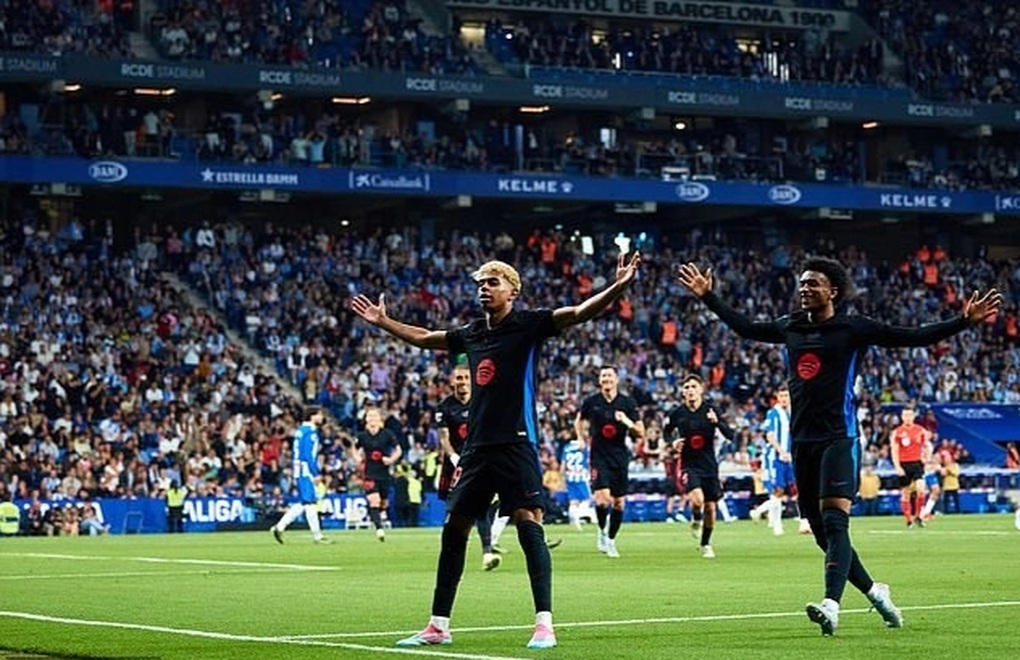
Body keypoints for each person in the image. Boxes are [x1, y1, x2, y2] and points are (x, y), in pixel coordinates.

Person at [676, 256, 999, 635]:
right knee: (820, 532)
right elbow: (746, 327)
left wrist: (963, 321)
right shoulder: (791, 325)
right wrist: (709, 296)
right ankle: (876, 593)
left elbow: (913, 336)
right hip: (802, 441)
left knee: (833, 520)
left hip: (839, 437)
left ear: (833, 291)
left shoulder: (854, 328)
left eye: (813, 283)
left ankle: (831, 604)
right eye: (802, 283)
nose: (805, 289)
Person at [350, 252, 641, 650]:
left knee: (527, 523)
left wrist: (617, 287)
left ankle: (544, 624)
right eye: (480, 284)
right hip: (477, 449)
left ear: (512, 291)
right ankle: (438, 625)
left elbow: (577, 312)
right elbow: (425, 337)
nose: (483, 289)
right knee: (454, 529)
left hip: (516, 442)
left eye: (492, 282)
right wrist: (384, 322)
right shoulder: (471, 333)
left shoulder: (529, 324)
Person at [575, 365, 644, 558]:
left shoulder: (627, 403)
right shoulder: (592, 402)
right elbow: (579, 420)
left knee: (619, 503)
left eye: (610, 375)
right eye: (603, 376)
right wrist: (580, 438)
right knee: (603, 499)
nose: (606, 379)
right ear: (599, 380)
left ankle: (611, 539)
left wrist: (627, 421)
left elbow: (640, 432)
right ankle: (602, 531)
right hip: (598, 456)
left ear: (616, 379)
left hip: (620, 457)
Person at [436, 361, 500, 570]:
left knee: (481, 507)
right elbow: (444, 437)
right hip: (455, 466)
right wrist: (453, 456)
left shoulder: (481, 403)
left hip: (478, 462)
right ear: (452, 381)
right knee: (455, 511)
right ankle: (451, 555)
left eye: (465, 378)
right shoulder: (445, 407)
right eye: (459, 378)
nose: (462, 382)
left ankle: (487, 552)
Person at [664, 374, 734, 559]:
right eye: (686, 387)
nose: (690, 390)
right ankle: (696, 518)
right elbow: (666, 432)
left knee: (710, 508)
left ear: (701, 390)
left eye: (693, 386)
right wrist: (673, 442)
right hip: (689, 465)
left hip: (709, 465)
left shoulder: (711, 410)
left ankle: (705, 544)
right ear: (682, 392)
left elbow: (730, 434)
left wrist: (717, 422)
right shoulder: (677, 413)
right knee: (697, 500)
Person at [271, 406, 332, 544]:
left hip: (299, 469)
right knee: (310, 502)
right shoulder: (310, 432)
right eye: (319, 414)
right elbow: (309, 455)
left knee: (304, 502)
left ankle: (280, 527)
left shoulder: (300, 431)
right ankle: (317, 536)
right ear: (312, 416)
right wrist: (315, 473)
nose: (321, 417)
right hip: (306, 470)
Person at [352, 407, 402, 541]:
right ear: (366, 419)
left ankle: (376, 516)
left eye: (375, 416)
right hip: (369, 473)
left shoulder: (387, 434)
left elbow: (398, 450)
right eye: (370, 416)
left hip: (384, 473)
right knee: (374, 500)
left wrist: (391, 459)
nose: (372, 419)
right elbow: (354, 449)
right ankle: (379, 529)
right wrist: (357, 459)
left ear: (380, 419)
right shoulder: (361, 436)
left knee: (383, 502)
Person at [761, 384, 796, 536]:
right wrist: (781, 451)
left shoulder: (791, 413)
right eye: (781, 396)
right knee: (778, 490)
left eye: (786, 396)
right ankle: (777, 524)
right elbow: (769, 435)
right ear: (777, 397)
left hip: (789, 457)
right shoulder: (773, 413)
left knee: (791, 490)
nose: (784, 399)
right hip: (775, 457)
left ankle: (759, 512)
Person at [890, 406, 932, 528]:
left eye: (910, 415)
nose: (907, 418)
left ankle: (918, 516)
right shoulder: (897, 432)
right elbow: (894, 450)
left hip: (917, 463)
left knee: (921, 489)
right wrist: (897, 466)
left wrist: (927, 458)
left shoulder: (920, 430)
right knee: (906, 493)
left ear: (913, 417)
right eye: (905, 415)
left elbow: (927, 445)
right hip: (903, 464)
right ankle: (908, 519)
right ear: (902, 417)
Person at [561, 438, 593, 532]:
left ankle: (573, 520)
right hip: (581, 476)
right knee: (587, 499)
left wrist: (562, 477)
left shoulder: (567, 447)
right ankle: (581, 517)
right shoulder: (583, 446)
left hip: (570, 476)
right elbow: (588, 462)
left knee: (573, 500)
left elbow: (563, 464)